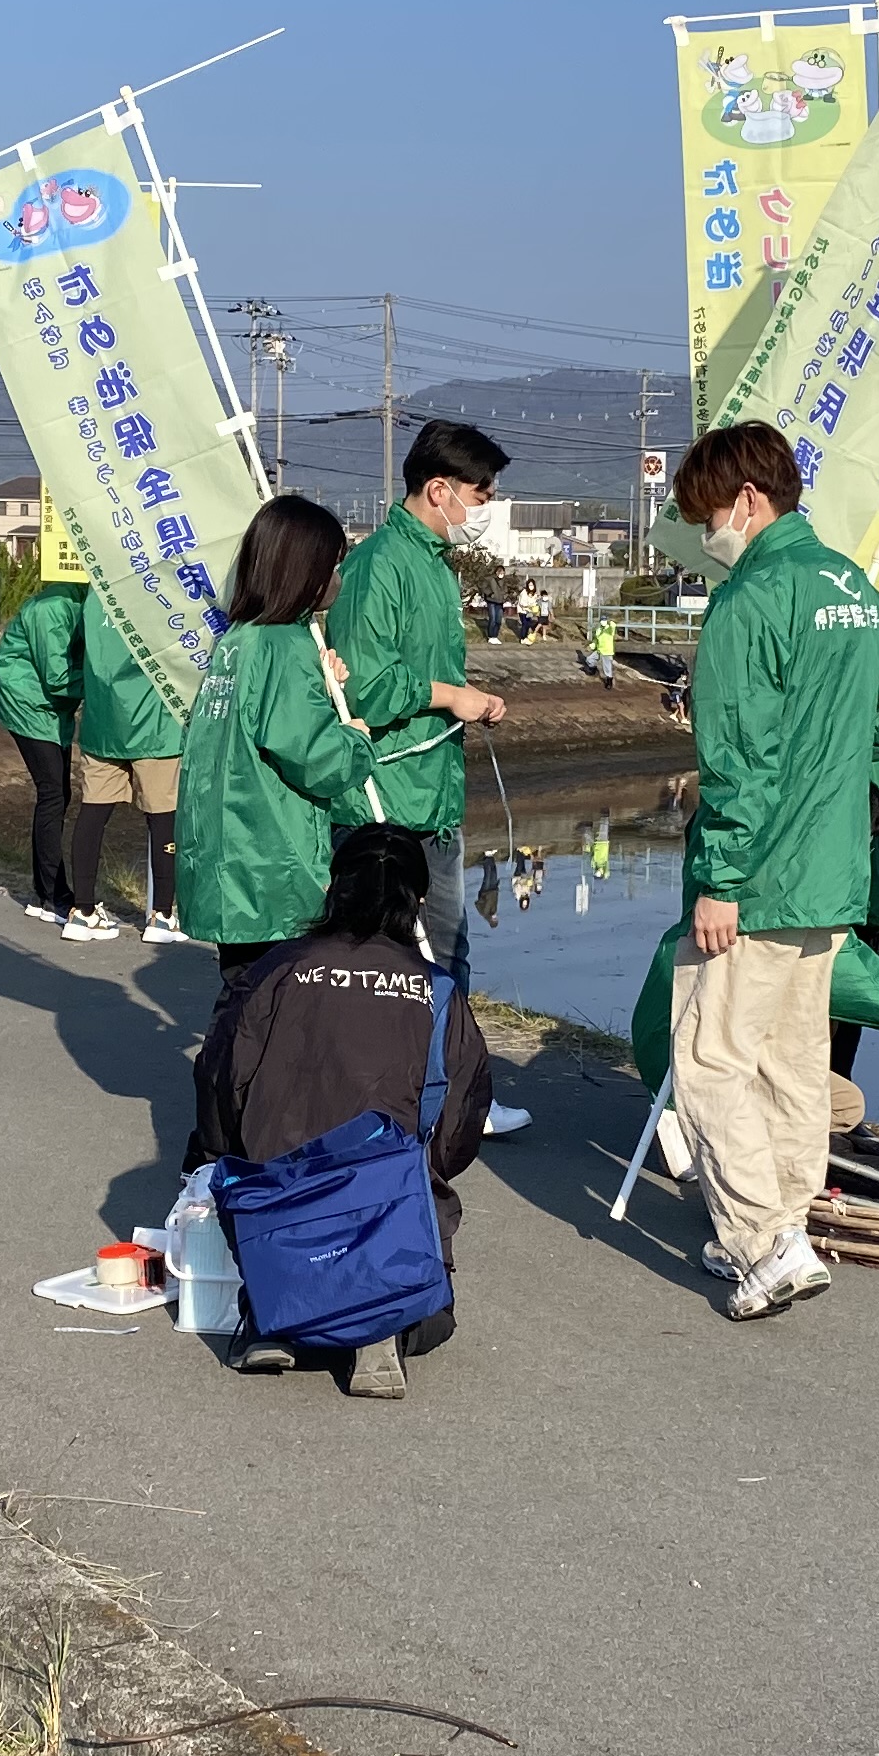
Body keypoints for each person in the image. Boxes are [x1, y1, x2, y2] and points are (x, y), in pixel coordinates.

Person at [665, 421, 879, 1318]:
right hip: (833, 868)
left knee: (709, 1060)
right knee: (793, 1063)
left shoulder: (751, 598)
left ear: (746, 501)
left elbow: (737, 758)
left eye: (707, 515)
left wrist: (719, 879)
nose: (707, 536)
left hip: (759, 872)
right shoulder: (853, 587)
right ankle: (785, 1229)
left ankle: (762, 1241)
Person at [192, 826, 490, 1399]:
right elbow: (461, 1122)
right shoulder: (439, 992)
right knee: (423, 1283)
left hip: (281, 1210)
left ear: (332, 886)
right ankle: (377, 1323)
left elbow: (217, 1077)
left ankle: (275, 1316)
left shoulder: (273, 971)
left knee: (266, 1201)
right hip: (391, 1218)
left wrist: (221, 1157)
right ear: (419, 902)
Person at [325, 421, 511, 982]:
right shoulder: (377, 566)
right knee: (382, 963)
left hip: (434, 799)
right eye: (481, 497)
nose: (484, 509)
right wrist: (453, 696)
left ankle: (441, 1069)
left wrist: (469, 699)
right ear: (439, 490)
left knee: (446, 959)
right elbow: (368, 686)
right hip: (382, 804)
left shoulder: (434, 566)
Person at [174, 495, 381, 980]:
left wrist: (324, 690)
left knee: (243, 995)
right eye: (332, 566)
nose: (338, 579)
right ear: (303, 572)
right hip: (271, 865)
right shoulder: (284, 646)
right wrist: (356, 738)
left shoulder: (239, 639)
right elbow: (317, 759)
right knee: (269, 1009)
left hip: (228, 857)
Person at [629, 919, 879, 1149]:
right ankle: (709, 1134)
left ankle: (696, 1121)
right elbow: (876, 997)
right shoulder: (809, 922)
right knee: (845, 1106)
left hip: (663, 1053)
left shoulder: (713, 908)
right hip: (705, 1065)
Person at [64, 580, 183, 943]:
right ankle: (162, 916)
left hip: (103, 719)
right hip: (155, 724)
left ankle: (82, 911)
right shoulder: (166, 591)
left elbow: (79, 648)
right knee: (163, 819)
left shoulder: (97, 593)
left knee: (93, 813)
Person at [0, 571, 83, 924]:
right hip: (27, 703)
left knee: (59, 793)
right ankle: (52, 895)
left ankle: (46, 891)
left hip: (49, 711)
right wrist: (102, 684)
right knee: (53, 793)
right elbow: (57, 678)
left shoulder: (77, 601)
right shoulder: (54, 607)